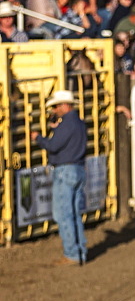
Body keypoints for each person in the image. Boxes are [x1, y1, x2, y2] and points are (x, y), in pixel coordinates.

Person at [31, 90, 88, 266]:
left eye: (56, 106)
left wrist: (39, 138)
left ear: (64, 105)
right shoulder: (79, 123)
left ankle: (71, 253)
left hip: (65, 171)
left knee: (63, 214)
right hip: (77, 168)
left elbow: (54, 146)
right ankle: (79, 252)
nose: (55, 110)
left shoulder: (67, 125)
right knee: (74, 214)